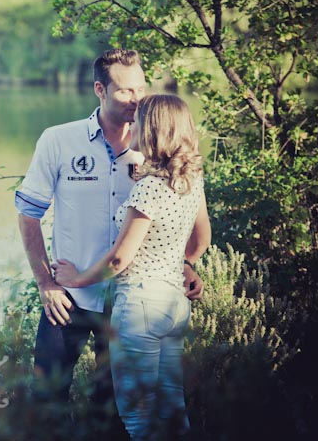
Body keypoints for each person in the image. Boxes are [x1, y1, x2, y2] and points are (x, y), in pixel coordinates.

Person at [15, 49, 204, 435]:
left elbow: (175, 225)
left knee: (117, 415)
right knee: (46, 403)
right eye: (125, 91)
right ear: (100, 89)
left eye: (140, 88)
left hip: (126, 306)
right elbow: (28, 212)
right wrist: (46, 283)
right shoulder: (59, 140)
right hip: (68, 300)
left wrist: (183, 264)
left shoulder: (158, 153)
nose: (137, 99)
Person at [52, 94, 212, 440]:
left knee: (138, 418)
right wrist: (181, 264)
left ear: (152, 129)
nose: (131, 126)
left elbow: (119, 259)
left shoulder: (149, 190)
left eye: (138, 121)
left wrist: (76, 279)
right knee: (172, 411)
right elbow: (200, 243)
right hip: (174, 307)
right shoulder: (191, 180)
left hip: (140, 308)